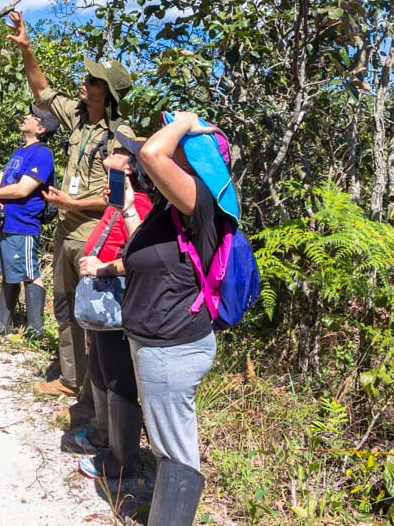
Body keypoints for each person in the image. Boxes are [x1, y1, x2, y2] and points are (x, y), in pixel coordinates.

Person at [6, 9, 133, 413]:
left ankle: (95, 402)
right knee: (63, 305)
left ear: (107, 93)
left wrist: (72, 203)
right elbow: (41, 89)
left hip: (95, 237)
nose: (84, 81)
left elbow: (118, 199)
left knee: (94, 316)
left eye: (93, 80)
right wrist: (26, 48)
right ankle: (70, 379)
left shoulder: (120, 136)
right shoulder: (76, 117)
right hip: (65, 230)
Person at [120, 110, 235, 525]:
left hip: (173, 347)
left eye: (179, 153)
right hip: (156, 343)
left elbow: (151, 152)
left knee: (176, 447)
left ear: (192, 160)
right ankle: (165, 511)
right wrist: (128, 202)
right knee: (167, 441)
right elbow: (143, 252)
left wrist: (185, 121)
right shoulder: (171, 208)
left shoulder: (200, 202)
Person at [73, 134, 153, 482]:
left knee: (118, 377)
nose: (111, 155)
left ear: (132, 168)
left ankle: (122, 458)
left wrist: (103, 268)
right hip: (103, 303)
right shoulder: (117, 201)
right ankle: (105, 438)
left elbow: (142, 259)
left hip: (118, 303)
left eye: (120, 152)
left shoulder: (143, 206)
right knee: (100, 370)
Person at [0, 106, 58, 340]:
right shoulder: (20, 151)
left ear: (41, 128)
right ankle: (2, 323)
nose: (26, 117)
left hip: (22, 224)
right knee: (9, 274)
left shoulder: (42, 154)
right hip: (6, 222)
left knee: (29, 273)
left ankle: (35, 331)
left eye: (32, 117)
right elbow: (3, 176)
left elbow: (24, 189)